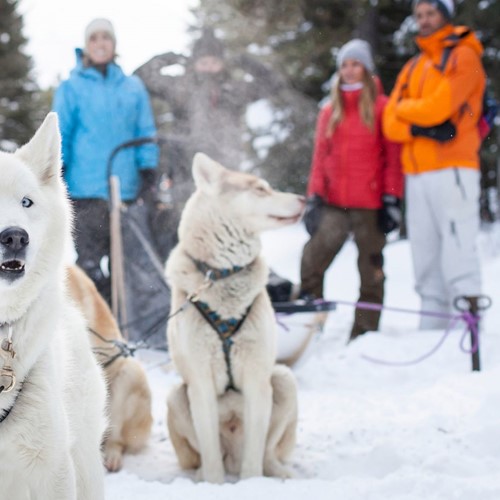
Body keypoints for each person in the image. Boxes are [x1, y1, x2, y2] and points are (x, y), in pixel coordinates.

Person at [134, 28, 283, 260]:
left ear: (222, 63)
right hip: (185, 173)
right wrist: (168, 58)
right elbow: (141, 77)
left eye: (214, 61)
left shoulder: (233, 89)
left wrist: (244, 61)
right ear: (194, 63)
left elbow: (273, 83)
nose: (209, 67)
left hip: (226, 174)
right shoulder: (181, 87)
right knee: (183, 229)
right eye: (203, 61)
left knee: (227, 230)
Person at [383, 0, 485, 328]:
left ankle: (468, 327)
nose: (425, 20)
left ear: (446, 15)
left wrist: (408, 111)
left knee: (457, 248)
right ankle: (431, 326)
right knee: (424, 255)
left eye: (431, 13)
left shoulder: (463, 55)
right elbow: (389, 121)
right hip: (417, 172)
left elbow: (439, 107)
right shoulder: (414, 66)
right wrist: (419, 125)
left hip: (453, 167)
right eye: (420, 15)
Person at [299, 39, 403, 341]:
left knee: (371, 269)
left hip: (370, 204)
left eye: (355, 64)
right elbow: (319, 159)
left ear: (366, 69)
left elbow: (392, 158)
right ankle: (311, 326)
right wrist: (314, 198)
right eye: (344, 64)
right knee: (311, 260)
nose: (349, 70)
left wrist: (391, 198)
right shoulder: (330, 111)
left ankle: (365, 331)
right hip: (333, 203)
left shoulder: (383, 108)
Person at [53, 18, 159, 305]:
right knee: (89, 263)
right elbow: (60, 132)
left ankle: (124, 321)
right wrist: (57, 169)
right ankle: (92, 325)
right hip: (85, 191)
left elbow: (145, 131)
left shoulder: (132, 87)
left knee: (124, 263)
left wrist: (148, 169)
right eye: (94, 38)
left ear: (114, 45)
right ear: (87, 46)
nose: (100, 43)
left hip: (125, 190)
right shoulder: (71, 87)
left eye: (106, 38)